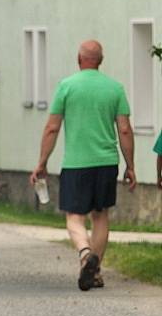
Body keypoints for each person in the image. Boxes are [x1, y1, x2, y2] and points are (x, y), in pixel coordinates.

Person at [30, 40, 136, 291]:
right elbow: (124, 129)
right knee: (101, 216)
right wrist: (130, 166)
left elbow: (52, 127)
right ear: (101, 60)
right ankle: (94, 270)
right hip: (107, 162)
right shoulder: (115, 88)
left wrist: (42, 163)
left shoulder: (67, 86)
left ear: (80, 59)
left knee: (74, 217)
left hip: (76, 164)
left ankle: (86, 254)